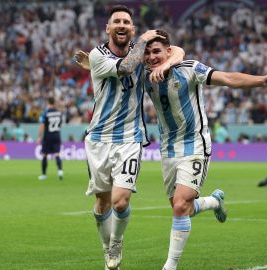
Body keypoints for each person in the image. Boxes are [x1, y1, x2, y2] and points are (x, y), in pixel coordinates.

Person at [142, 31, 267, 270]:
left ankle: (170, 266)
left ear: (168, 51)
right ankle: (214, 202)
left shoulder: (189, 68)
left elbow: (228, 78)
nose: (151, 56)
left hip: (195, 143)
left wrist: (262, 80)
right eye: (147, 52)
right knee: (183, 209)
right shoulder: (145, 77)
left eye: (156, 51)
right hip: (168, 147)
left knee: (179, 206)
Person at [74, 5, 185, 270]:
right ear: (108, 28)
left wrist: (165, 59)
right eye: (117, 21)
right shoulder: (98, 54)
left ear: (132, 29)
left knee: (120, 199)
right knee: (102, 201)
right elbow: (125, 68)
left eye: (126, 21)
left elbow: (178, 51)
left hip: (130, 138)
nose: (122, 25)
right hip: (99, 138)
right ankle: (106, 249)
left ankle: (116, 242)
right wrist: (144, 40)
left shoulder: (141, 50)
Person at [37, 97, 63, 181]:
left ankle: (44, 175)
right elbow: (60, 124)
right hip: (56, 135)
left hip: (48, 136)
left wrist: (39, 137)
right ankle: (60, 171)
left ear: (48, 102)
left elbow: (42, 125)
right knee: (57, 154)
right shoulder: (59, 113)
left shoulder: (45, 113)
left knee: (44, 154)